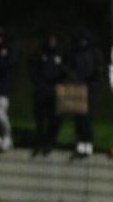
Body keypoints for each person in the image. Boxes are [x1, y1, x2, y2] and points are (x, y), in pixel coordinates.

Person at [29, 33, 65, 157]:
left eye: (54, 40)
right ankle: (38, 143)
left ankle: (49, 142)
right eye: (50, 39)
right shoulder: (40, 53)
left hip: (54, 91)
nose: (52, 42)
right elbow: (33, 69)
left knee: (54, 119)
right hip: (41, 90)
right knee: (40, 119)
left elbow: (65, 71)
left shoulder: (60, 55)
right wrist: (39, 82)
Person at [69, 30, 103, 158]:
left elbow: (98, 69)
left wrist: (90, 79)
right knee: (78, 115)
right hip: (78, 88)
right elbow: (71, 68)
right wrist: (75, 78)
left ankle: (88, 141)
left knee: (88, 116)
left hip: (90, 88)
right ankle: (80, 140)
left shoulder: (95, 52)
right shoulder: (76, 53)